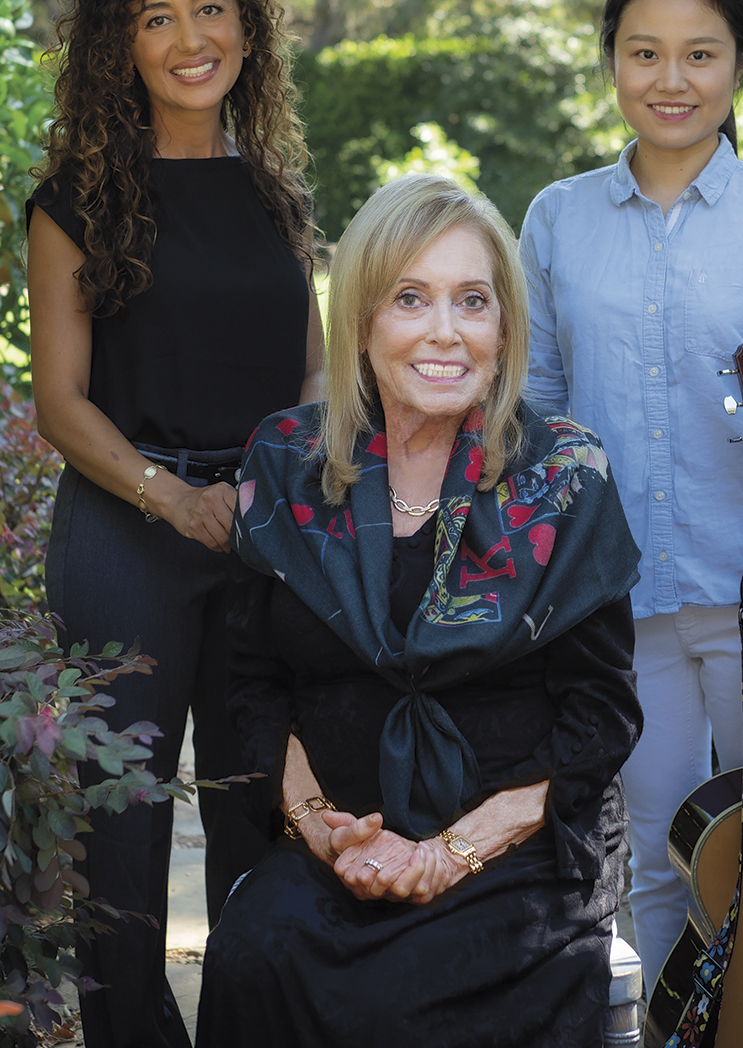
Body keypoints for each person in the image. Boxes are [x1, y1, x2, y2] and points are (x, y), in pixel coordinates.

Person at [196, 173, 643, 1047]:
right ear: (362, 320)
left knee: (454, 995)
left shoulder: (562, 478)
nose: (445, 331)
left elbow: (601, 715)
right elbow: (249, 687)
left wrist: (447, 854)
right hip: (344, 845)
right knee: (256, 954)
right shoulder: (285, 466)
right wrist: (322, 829)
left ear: (503, 326)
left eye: (472, 301)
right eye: (410, 298)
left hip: (516, 849)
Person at [519, 0, 743, 992]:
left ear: (740, 64)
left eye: (700, 54)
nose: (672, 80)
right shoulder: (556, 218)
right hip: (619, 605)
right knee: (662, 867)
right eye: (645, 53)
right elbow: (532, 408)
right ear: (613, 63)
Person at [25, 0, 324, 1048]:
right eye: (155, 16)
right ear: (120, 47)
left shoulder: (276, 196)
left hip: (261, 533)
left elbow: (307, 370)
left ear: (245, 24)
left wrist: (276, 488)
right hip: (123, 538)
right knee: (123, 829)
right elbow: (62, 403)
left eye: (209, 7)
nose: (190, 37)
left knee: (261, 806)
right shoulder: (73, 204)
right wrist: (170, 494)